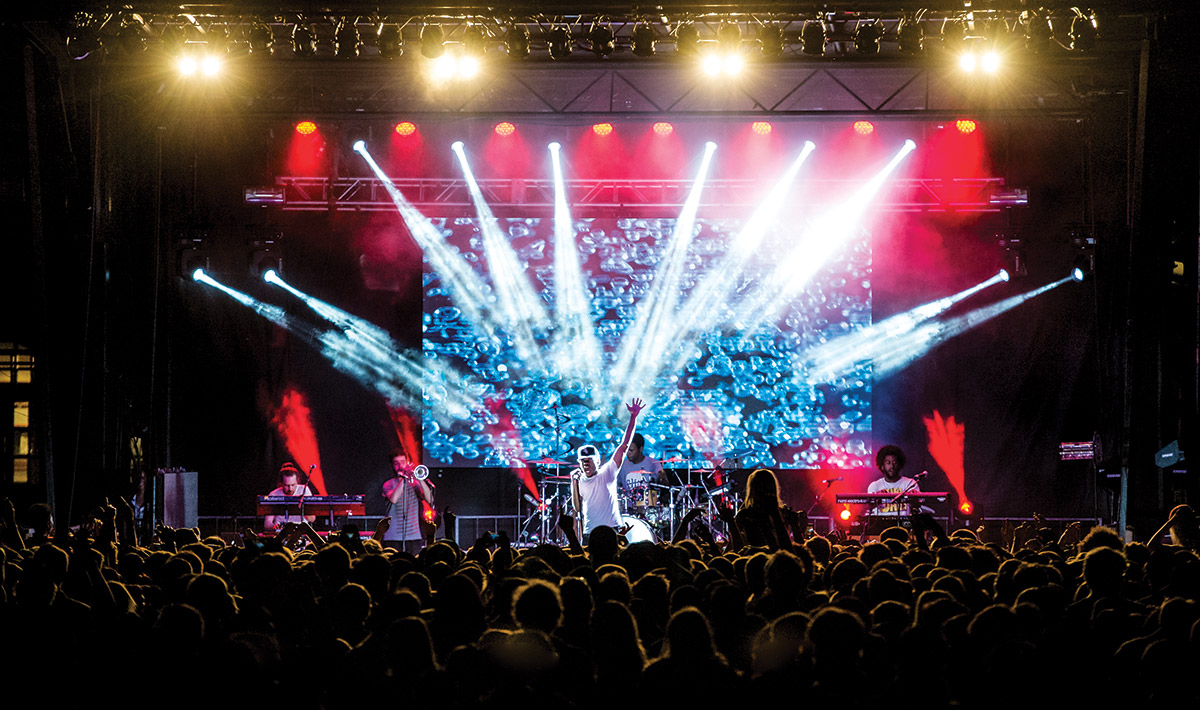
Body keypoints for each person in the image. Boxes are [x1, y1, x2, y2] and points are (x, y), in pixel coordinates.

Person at [571, 398, 645, 538]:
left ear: (598, 461)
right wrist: (573, 483)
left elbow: (624, 446)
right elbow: (577, 508)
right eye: (583, 461)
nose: (586, 464)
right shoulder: (579, 480)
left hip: (612, 529)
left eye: (589, 461)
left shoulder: (608, 471)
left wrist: (633, 418)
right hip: (589, 532)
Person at [380, 449, 434, 554]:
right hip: (392, 536)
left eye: (403, 462)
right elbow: (394, 499)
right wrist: (403, 478)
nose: (400, 466)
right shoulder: (388, 484)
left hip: (414, 536)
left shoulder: (415, 484)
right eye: (397, 463)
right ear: (392, 466)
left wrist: (420, 479)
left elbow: (430, 499)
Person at [735, 468, 802, 550]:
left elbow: (737, 546)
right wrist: (796, 527)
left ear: (753, 489)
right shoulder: (782, 513)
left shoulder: (745, 514)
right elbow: (799, 550)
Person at [867, 445, 921, 517]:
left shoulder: (910, 483)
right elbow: (871, 506)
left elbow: (917, 506)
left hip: (904, 525)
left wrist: (913, 498)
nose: (892, 466)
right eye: (888, 463)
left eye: (895, 462)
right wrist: (877, 498)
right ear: (882, 466)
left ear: (899, 465)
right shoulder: (875, 485)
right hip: (881, 526)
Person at [263, 463, 316, 531]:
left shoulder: (304, 490)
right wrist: (275, 527)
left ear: (298, 481)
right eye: (286, 485)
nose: (290, 489)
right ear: (281, 483)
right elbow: (267, 524)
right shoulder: (274, 495)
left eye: (293, 485)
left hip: (300, 532)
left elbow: (312, 519)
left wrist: (303, 508)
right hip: (281, 533)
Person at [619, 433, 666, 506]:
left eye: (631, 450)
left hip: (649, 507)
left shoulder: (654, 464)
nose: (628, 453)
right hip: (628, 508)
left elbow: (665, 487)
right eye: (627, 450)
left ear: (640, 449)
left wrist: (662, 479)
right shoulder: (622, 465)